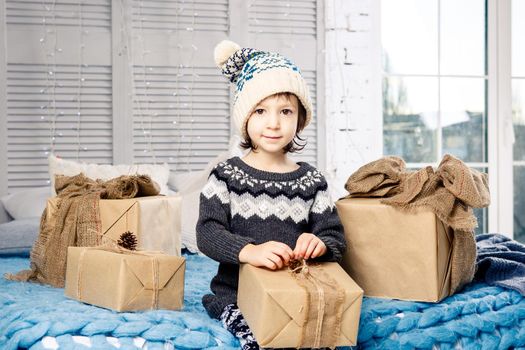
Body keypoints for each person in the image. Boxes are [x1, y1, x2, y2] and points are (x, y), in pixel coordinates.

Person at [196, 39, 347, 350]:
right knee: (259, 340)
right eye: (261, 110)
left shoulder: (311, 181)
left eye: (286, 111)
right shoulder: (225, 176)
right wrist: (249, 251)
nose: (274, 123)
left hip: (294, 293)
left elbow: (335, 237)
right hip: (236, 295)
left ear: (300, 119)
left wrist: (320, 244)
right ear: (245, 118)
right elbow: (207, 233)